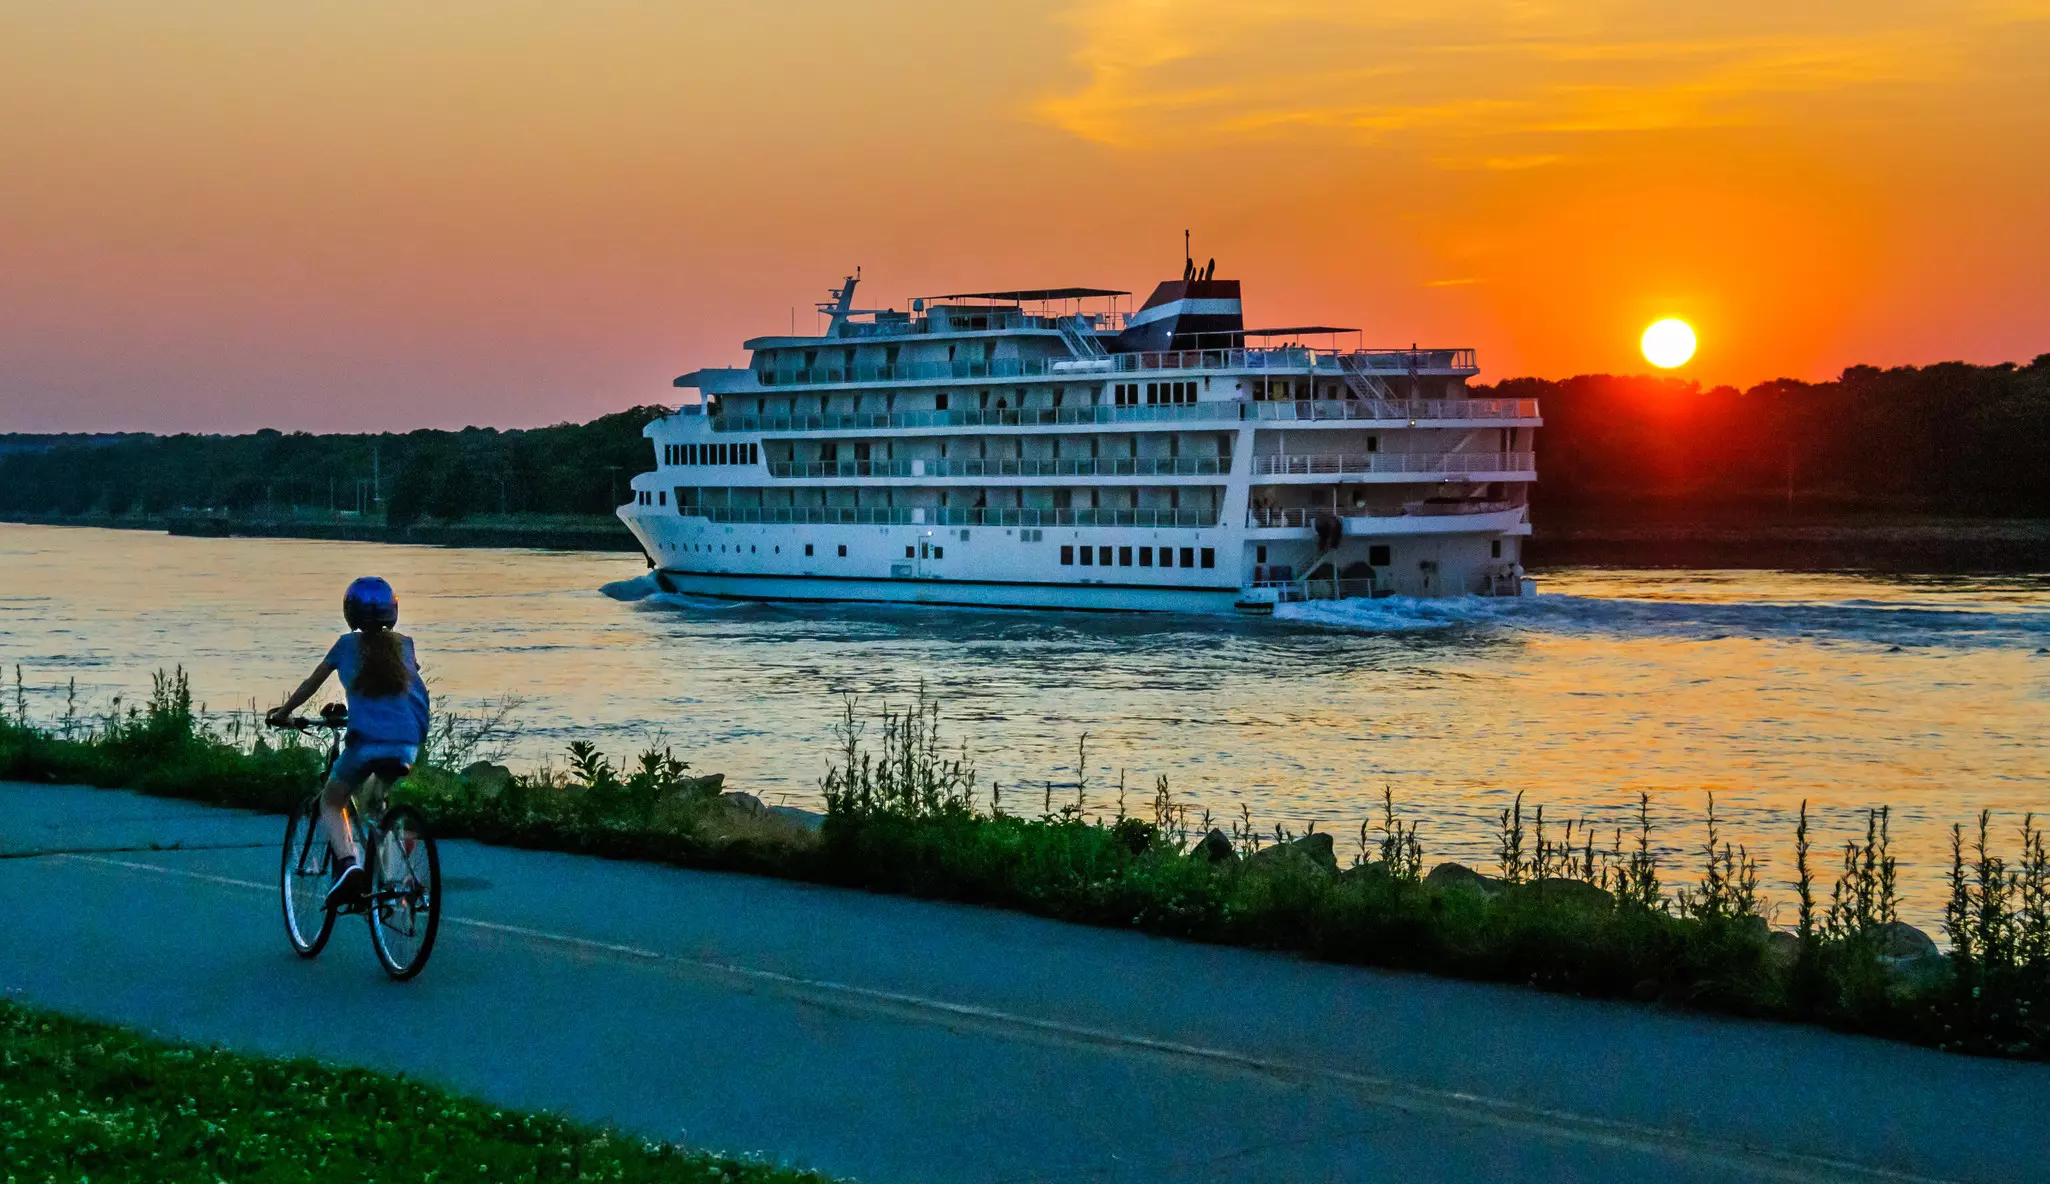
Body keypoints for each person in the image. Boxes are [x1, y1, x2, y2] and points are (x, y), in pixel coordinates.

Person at [267, 577, 430, 910]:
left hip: (367, 742)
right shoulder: (406, 645)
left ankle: (348, 865)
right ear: (392, 610)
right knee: (376, 806)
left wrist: (284, 713)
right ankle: (396, 883)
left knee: (331, 800)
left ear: (349, 613)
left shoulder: (345, 646)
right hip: (407, 743)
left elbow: (310, 685)